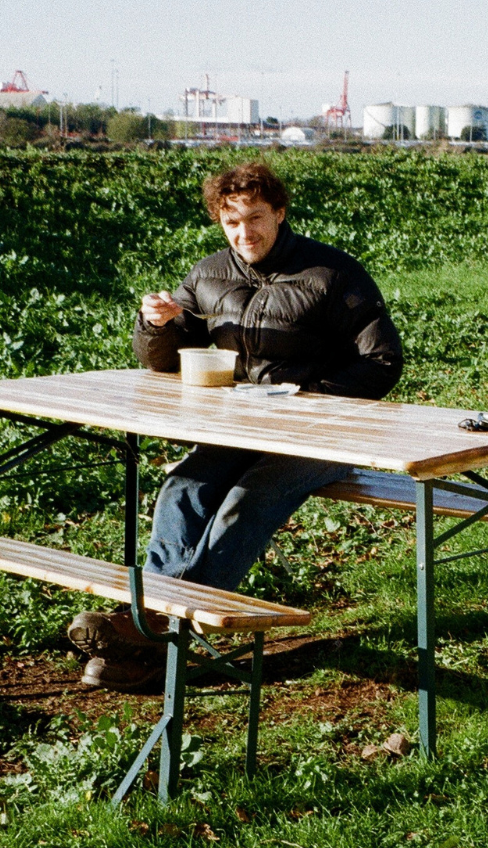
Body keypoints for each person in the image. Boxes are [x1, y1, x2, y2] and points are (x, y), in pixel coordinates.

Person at [68, 161, 403, 689]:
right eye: (231, 222)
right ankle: (152, 636)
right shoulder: (208, 275)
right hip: (241, 428)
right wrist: (154, 325)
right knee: (183, 487)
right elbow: (164, 359)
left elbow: (382, 361)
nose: (244, 233)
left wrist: (309, 400)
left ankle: (152, 627)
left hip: (327, 433)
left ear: (280, 213)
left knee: (249, 497)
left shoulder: (333, 273)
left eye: (255, 218)